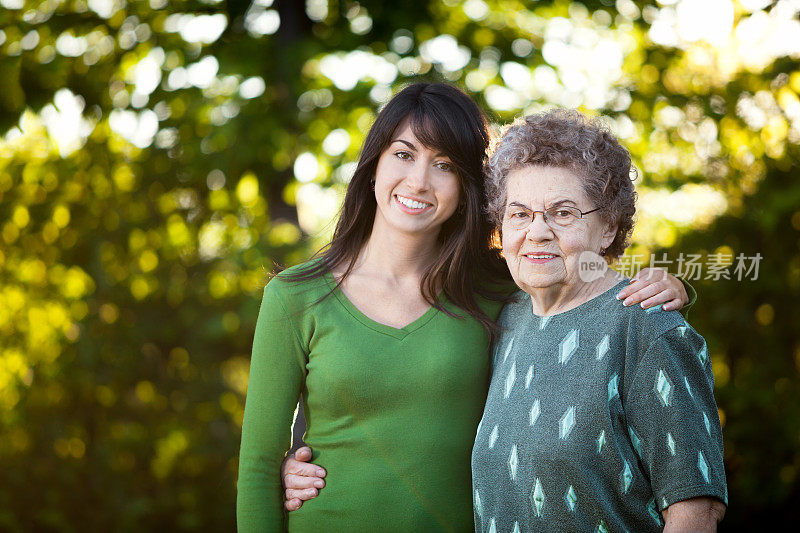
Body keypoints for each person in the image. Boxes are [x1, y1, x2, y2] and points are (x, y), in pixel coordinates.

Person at [238, 84, 691, 532]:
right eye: (403, 154)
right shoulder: (296, 296)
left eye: (444, 165)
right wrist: (284, 472)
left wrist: (671, 286)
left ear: (465, 188)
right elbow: (259, 467)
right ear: (373, 164)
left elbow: (581, 287)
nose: (418, 181)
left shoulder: (497, 292)